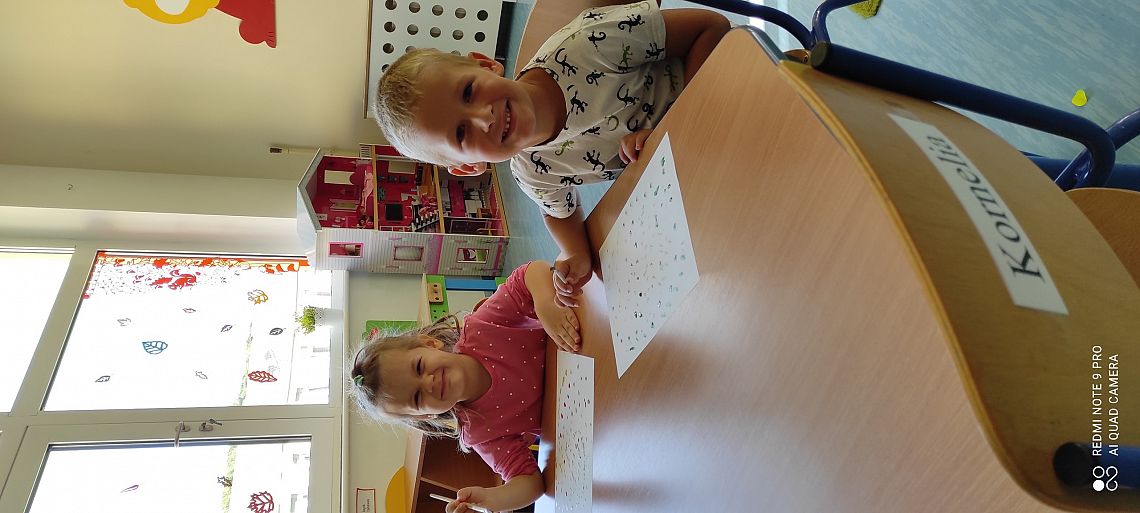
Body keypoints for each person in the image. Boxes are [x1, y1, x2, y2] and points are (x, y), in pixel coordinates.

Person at [373, 1, 730, 307]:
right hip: (696, 173)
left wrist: (677, 126)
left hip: (726, 106)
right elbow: (558, 211)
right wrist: (575, 252)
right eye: (461, 134)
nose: (485, 117)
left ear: (485, 64)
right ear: (470, 166)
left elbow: (710, 27)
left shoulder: (587, 45)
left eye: (468, 92)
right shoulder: (530, 171)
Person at [348, 261, 581, 513]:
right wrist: (494, 499)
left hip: (584, 343)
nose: (429, 382)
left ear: (429, 343)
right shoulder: (480, 432)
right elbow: (531, 483)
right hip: (584, 415)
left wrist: (545, 304)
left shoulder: (482, 327)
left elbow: (530, 274)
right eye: (416, 397)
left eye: (419, 367)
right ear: (425, 416)